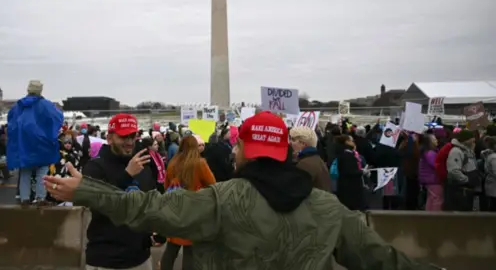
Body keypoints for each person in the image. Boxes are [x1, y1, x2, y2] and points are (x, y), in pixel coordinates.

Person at [44, 111, 439, 269]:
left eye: (235, 147)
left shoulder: (222, 201)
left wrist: (88, 191)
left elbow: (151, 209)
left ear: (244, 153)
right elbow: (383, 260)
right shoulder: (328, 208)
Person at [81, 114, 157, 270]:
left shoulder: (143, 164)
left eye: (132, 136)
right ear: (109, 138)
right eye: (123, 137)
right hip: (106, 259)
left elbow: (149, 202)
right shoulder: (94, 167)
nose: (129, 143)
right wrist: (127, 175)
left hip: (140, 257)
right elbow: (97, 204)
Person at [161, 135, 215, 270]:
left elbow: (166, 186)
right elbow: (213, 184)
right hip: (193, 212)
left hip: (175, 210)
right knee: (190, 249)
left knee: (171, 248)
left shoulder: (173, 162)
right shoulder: (199, 163)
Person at [6, 80, 63, 207]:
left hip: (23, 145)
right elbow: (57, 117)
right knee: (42, 171)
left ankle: (24, 199)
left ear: (28, 89)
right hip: (41, 145)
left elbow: (11, 124)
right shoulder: (46, 105)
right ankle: (40, 198)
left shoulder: (18, 106)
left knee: (25, 171)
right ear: (40, 90)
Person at [289, 126, 331, 192]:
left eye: (293, 140)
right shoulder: (316, 159)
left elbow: (297, 190)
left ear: (303, 143)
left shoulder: (305, 164)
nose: (290, 142)